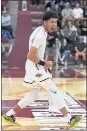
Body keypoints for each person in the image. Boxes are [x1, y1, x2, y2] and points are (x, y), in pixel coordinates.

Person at [3, 11, 83, 129]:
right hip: (36, 68)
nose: (54, 24)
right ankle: (69, 118)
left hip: (34, 67)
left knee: (33, 96)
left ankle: (9, 115)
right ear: (45, 22)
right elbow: (30, 55)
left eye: (55, 22)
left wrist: (43, 64)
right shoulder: (40, 36)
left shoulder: (41, 31)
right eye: (51, 22)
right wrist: (44, 63)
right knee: (53, 90)